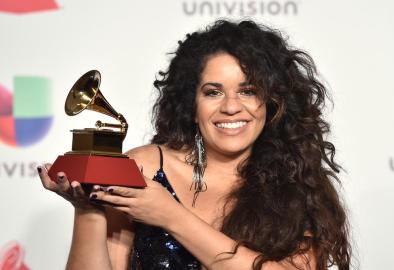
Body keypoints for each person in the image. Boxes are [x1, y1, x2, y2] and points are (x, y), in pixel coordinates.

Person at [38, 20, 351, 270]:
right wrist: (89, 211)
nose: (231, 107)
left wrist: (169, 215)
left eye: (248, 91)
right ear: (191, 103)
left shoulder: (298, 183)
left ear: (272, 101)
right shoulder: (145, 168)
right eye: (213, 92)